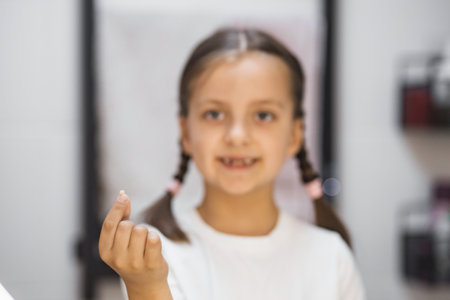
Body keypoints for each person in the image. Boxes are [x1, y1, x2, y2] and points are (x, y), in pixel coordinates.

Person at [99, 27, 366, 300]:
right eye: (214, 114)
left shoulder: (331, 257)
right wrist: (145, 285)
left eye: (263, 115)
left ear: (295, 134)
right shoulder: (156, 255)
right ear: (186, 132)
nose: (237, 136)